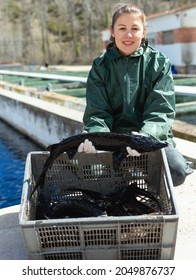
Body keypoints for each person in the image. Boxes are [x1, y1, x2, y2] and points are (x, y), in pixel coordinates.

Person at [77, 3, 193, 186]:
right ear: (112, 31)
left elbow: (161, 110)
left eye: (135, 28)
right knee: (88, 170)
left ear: (144, 32)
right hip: (114, 139)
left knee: (176, 171)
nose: (128, 34)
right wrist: (96, 137)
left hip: (148, 138)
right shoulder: (100, 67)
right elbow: (97, 112)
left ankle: (147, 178)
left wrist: (144, 137)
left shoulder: (159, 63)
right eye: (122, 28)